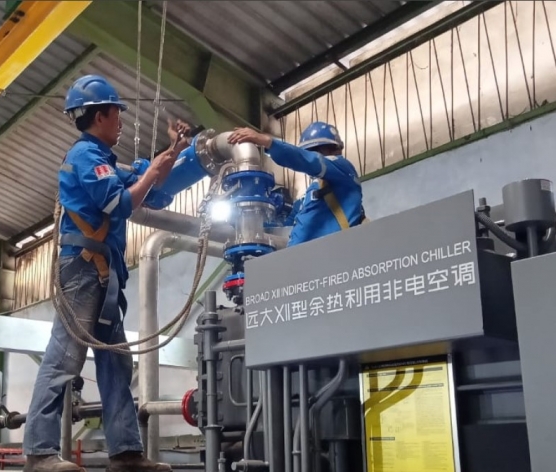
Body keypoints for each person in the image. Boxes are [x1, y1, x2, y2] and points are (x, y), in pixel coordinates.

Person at [22, 74, 190, 472]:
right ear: (100, 115)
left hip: (102, 273)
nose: (121, 121)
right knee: (64, 358)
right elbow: (120, 204)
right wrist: (152, 172)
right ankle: (39, 452)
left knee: (115, 362)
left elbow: (152, 189)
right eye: (117, 113)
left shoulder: (106, 162)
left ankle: (126, 453)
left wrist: (175, 152)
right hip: (83, 269)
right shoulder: (86, 157)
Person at [227, 121, 366, 247]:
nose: (314, 155)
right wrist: (244, 219)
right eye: (309, 151)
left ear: (335, 149)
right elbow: (284, 228)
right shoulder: (308, 199)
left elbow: (311, 161)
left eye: (318, 151)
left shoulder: (344, 169)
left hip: (333, 252)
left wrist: (268, 142)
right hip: (301, 258)